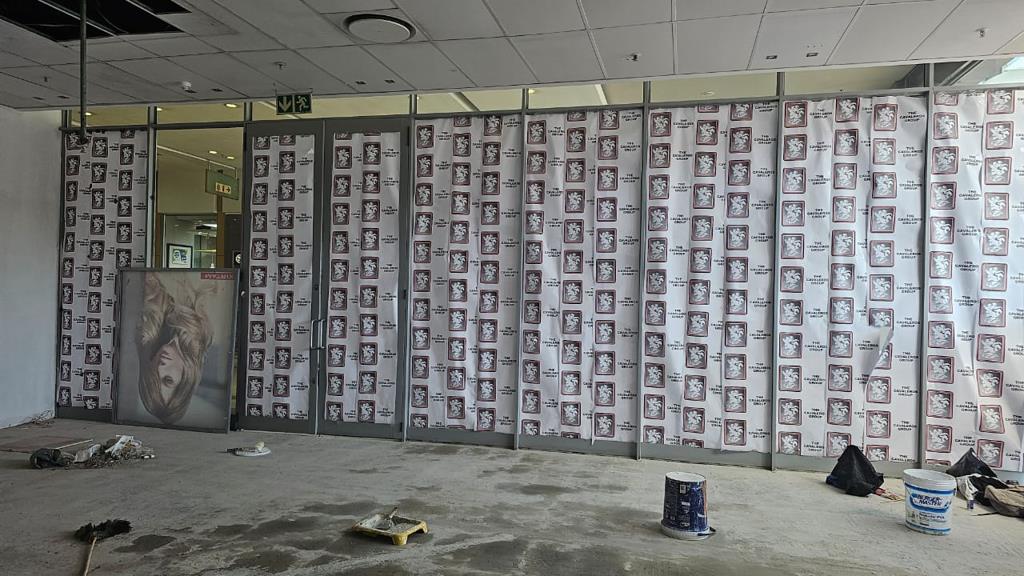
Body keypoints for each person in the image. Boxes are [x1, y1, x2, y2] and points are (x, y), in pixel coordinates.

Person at [136, 274, 214, 424]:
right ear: (186, 378)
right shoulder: (203, 321)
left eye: (153, 377)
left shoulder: (147, 325)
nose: (160, 368)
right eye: (168, 379)